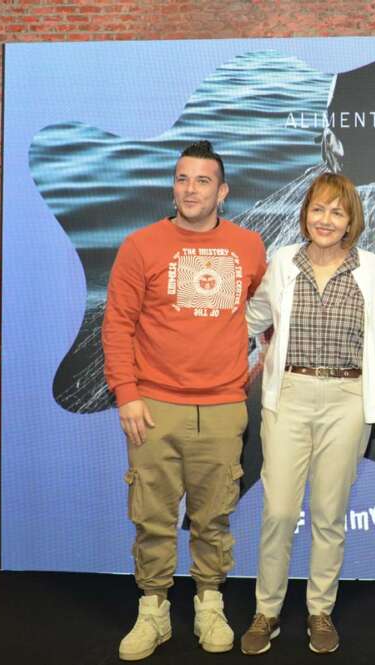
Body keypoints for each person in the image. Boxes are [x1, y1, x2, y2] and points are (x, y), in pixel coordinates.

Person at [103, 140, 266, 660]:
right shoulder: (140, 245)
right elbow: (117, 325)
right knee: (151, 516)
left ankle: (209, 604)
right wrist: (126, 394)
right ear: (172, 186)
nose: (189, 189)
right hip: (154, 407)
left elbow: (259, 310)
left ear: (223, 191)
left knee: (213, 516)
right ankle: (153, 609)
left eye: (201, 181)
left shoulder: (249, 247)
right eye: (181, 179)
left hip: (222, 407)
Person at [237, 172, 375, 656]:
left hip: (347, 401)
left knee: (328, 513)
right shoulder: (283, 262)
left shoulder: (374, 269)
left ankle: (320, 610)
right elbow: (250, 320)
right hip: (290, 397)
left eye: (337, 212)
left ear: (351, 221)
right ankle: (267, 612)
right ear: (305, 214)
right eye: (318, 209)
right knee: (280, 511)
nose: (326, 220)